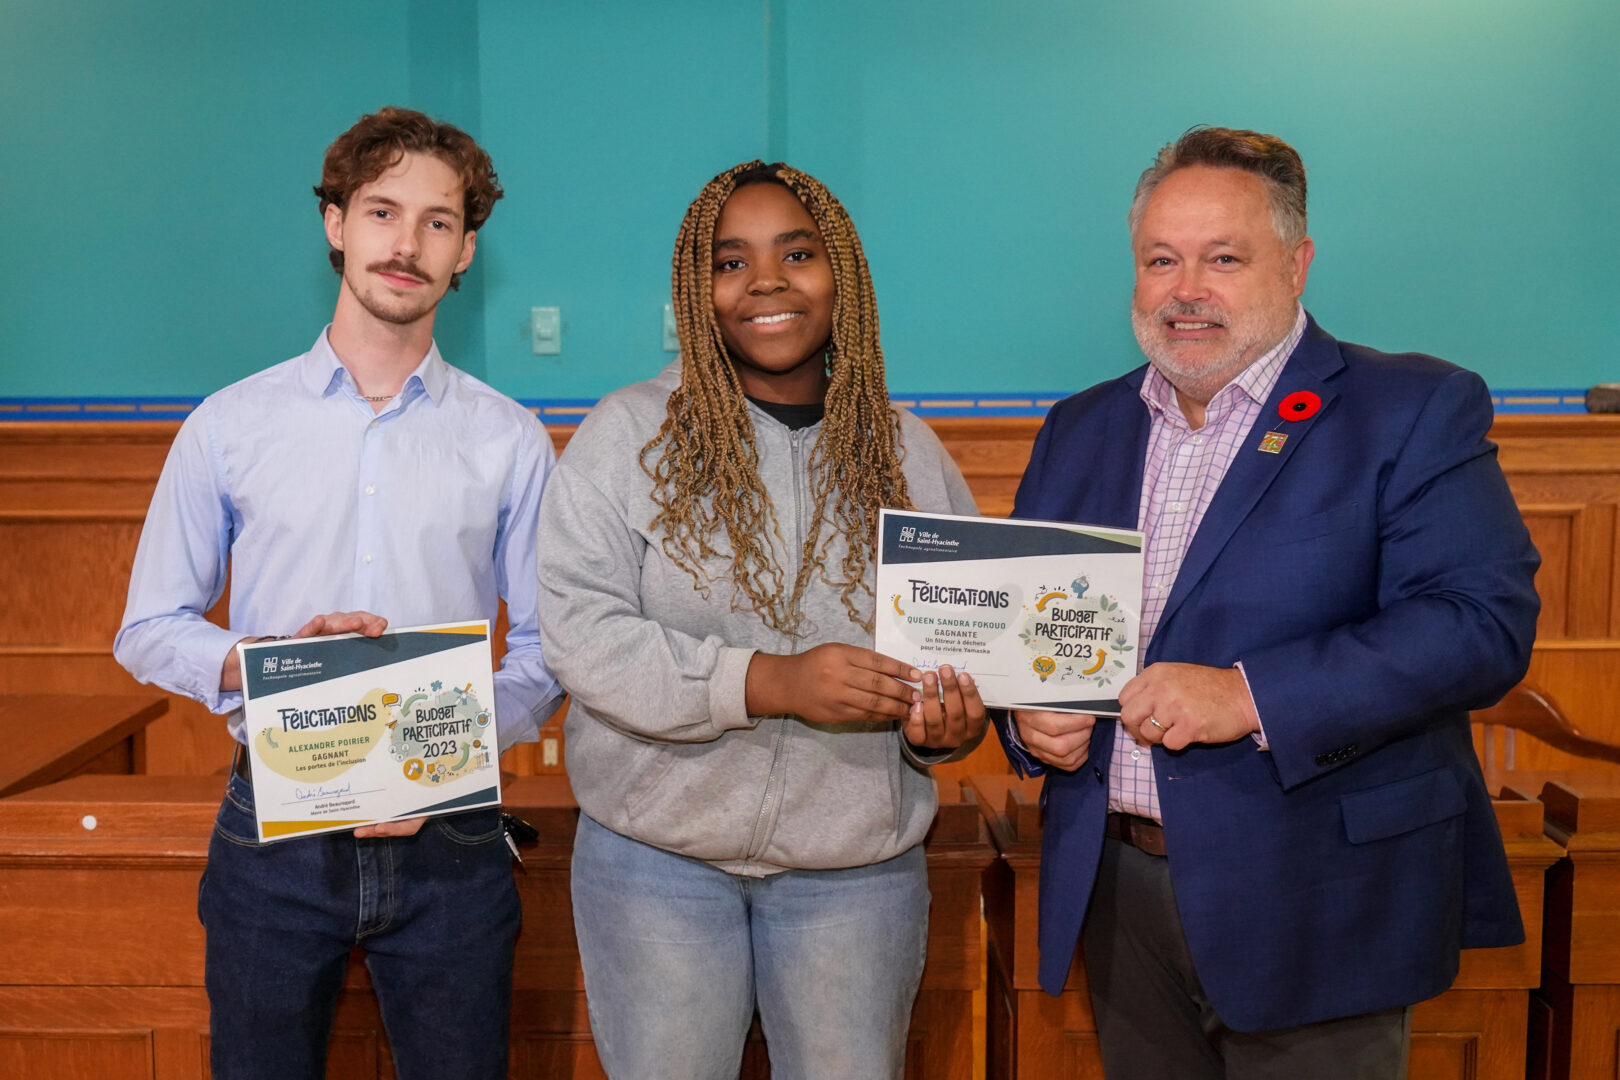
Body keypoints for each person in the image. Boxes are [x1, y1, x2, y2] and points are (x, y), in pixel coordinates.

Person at [996, 126, 1540, 1078]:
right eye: (1161, 259)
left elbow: (1478, 623)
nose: (1187, 288)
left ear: (1296, 264)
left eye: (1223, 258)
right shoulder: (1079, 429)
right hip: (1120, 893)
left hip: (1321, 897)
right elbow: (1037, 643)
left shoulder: (1410, 408)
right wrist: (1027, 720)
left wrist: (1249, 695)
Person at [114, 106, 561, 1080]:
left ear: (467, 251)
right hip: (275, 839)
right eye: (381, 212)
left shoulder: (509, 439)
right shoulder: (230, 426)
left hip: (453, 840)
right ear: (335, 223)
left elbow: (544, 648)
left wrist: (443, 750)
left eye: (437, 222)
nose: (406, 244)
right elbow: (147, 628)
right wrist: (265, 669)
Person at [536, 160, 986, 1079]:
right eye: (730, 262)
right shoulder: (627, 435)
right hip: (656, 859)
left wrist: (943, 729)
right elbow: (583, 632)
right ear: (697, 294)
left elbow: (958, 649)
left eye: (798, 253)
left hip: (853, 869)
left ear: (843, 277)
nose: (767, 283)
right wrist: (767, 681)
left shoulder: (910, 454)